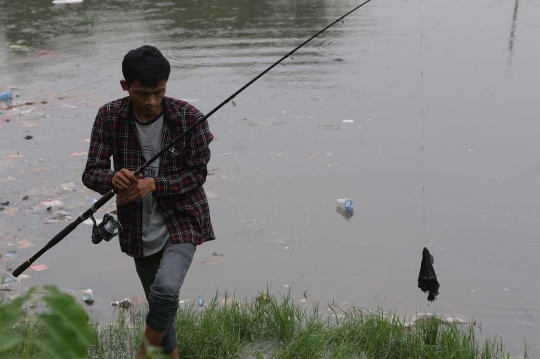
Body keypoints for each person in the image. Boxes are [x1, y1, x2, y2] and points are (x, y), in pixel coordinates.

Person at [82, 45, 215, 358]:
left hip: (183, 217)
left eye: (159, 92)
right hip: (137, 225)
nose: (152, 101)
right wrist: (112, 179)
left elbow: (197, 174)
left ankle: (143, 354)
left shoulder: (189, 118)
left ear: (166, 86)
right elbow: (92, 172)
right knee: (160, 305)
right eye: (142, 93)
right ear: (125, 86)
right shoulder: (109, 115)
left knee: (166, 290)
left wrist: (155, 183)